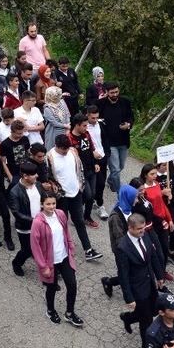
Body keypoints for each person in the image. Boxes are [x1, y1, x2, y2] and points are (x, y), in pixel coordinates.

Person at [47, 134, 104, 262]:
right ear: (56, 146)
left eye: (67, 148)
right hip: (62, 196)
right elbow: (49, 176)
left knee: (79, 221)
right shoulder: (50, 157)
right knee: (62, 224)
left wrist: (80, 186)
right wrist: (56, 189)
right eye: (63, 149)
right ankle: (62, 251)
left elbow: (79, 169)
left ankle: (88, 250)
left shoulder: (72, 151)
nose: (66, 151)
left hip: (76, 193)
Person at [30, 192, 84, 327]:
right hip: (50, 262)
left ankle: (70, 313)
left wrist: (71, 248)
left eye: (53, 203)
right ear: (42, 204)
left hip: (64, 257)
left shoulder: (60, 214)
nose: (51, 206)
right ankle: (50, 310)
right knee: (52, 288)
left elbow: (66, 232)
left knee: (72, 285)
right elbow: (35, 247)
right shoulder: (38, 222)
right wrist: (43, 267)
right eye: (48, 204)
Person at [117, 212, 165, 347]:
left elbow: (153, 256)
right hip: (137, 288)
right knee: (147, 319)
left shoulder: (145, 235)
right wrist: (129, 297)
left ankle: (128, 318)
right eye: (139, 229)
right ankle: (147, 346)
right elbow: (123, 275)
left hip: (150, 282)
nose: (142, 231)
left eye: (143, 228)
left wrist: (159, 275)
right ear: (130, 228)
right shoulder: (123, 247)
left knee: (152, 311)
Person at [8, 162, 46, 276]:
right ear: (25, 176)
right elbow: (16, 213)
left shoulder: (38, 185)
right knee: (27, 250)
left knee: (43, 247)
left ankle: (48, 271)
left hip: (40, 224)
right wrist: (34, 221)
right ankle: (16, 263)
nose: (37, 176)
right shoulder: (15, 192)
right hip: (26, 227)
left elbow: (44, 199)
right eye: (34, 174)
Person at [103, 184, 138, 299]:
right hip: (122, 250)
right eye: (135, 198)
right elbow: (119, 239)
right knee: (124, 273)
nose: (137, 200)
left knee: (130, 272)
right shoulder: (116, 217)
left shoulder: (129, 209)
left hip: (131, 246)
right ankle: (110, 282)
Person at [97, 82, 133, 192]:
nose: (115, 94)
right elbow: (94, 118)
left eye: (116, 92)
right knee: (116, 169)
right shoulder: (100, 104)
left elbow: (131, 117)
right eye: (112, 93)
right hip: (109, 142)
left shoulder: (125, 102)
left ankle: (111, 180)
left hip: (123, 140)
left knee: (120, 166)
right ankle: (119, 192)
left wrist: (128, 125)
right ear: (106, 92)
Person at [141, 163, 174, 269]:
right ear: (145, 175)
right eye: (152, 174)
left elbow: (161, 204)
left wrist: (169, 219)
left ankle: (163, 270)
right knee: (154, 248)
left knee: (164, 247)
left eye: (155, 173)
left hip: (162, 220)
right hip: (152, 221)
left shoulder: (157, 184)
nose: (155, 176)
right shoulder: (143, 189)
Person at [67, 113, 101, 227]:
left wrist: (96, 162)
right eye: (84, 125)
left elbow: (92, 148)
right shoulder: (69, 138)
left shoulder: (86, 134)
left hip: (91, 168)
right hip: (81, 172)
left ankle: (85, 216)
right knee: (88, 195)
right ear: (77, 125)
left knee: (92, 194)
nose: (86, 128)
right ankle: (79, 215)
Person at [85, 105, 110, 220]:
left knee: (100, 184)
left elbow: (105, 140)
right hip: (89, 160)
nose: (95, 120)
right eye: (93, 118)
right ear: (87, 115)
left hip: (102, 159)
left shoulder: (101, 125)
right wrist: (92, 153)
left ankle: (99, 204)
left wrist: (106, 154)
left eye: (97, 118)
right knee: (89, 185)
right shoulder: (83, 127)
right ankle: (89, 206)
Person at [43, 86, 70, 151]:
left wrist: (68, 126)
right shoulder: (47, 108)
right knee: (53, 150)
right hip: (53, 133)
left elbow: (67, 114)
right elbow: (54, 122)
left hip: (65, 131)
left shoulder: (62, 102)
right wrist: (65, 126)